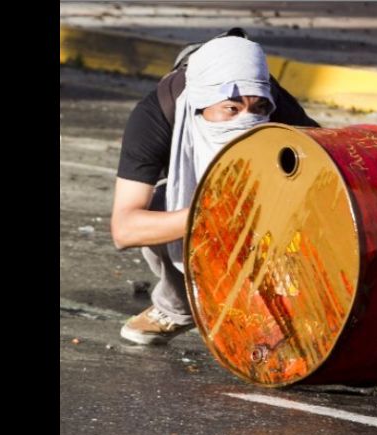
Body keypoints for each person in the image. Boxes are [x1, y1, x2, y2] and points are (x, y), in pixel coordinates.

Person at [111, 30, 319, 345]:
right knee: (159, 205)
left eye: (258, 109)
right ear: (199, 103)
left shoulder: (276, 105)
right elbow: (125, 228)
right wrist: (207, 211)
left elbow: (327, 174)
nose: (246, 120)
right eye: (232, 109)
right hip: (195, 205)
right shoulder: (155, 116)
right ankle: (179, 305)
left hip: (265, 201)